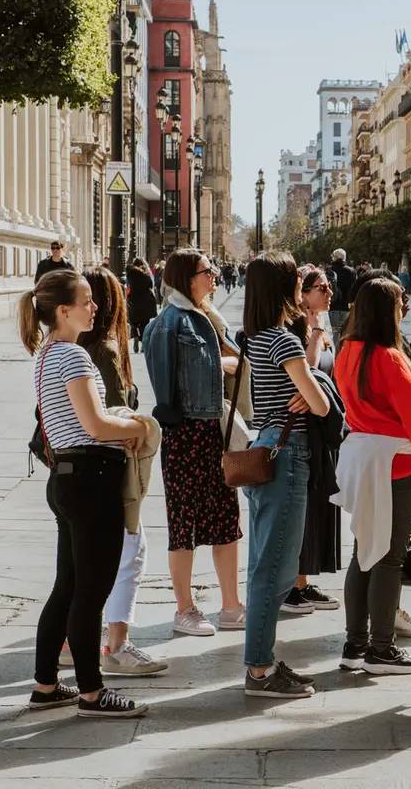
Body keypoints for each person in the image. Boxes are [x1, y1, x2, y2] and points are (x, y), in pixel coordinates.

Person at [19, 269, 149, 718]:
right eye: (87, 300)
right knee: (91, 592)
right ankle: (93, 694)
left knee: (67, 587)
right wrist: (137, 425)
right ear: (63, 310)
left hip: (66, 478)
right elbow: (95, 424)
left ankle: (46, 685)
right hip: (91, 479)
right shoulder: (72, 356)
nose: (95, 307)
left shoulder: (45, 353)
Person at [241, 252, 332, 699]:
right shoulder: (284, 341)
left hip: (265, 444)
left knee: (265, 562)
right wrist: (309, 386)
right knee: (275, 569)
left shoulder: (254, 338)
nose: (302, 283)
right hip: (287, 453)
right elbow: (321, 405)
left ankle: (264, 660)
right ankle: (259, 670)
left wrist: (303, 387)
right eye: (296, 278)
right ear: (282, 286)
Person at [143, 250, 245, 637]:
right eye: (208, 271)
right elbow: (174, 382)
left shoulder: (203, 317)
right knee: (183, 524)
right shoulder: (171, 323)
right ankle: (184, 609)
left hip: (209, 431)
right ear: (188, 277)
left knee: (225, 521)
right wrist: (224, 364)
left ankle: (231, 606)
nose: (215, 276)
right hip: (186, 433)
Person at [74, 267, 167, 676]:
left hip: (74, 469)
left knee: (83, 560)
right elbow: (112, 417)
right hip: (108, 471)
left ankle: (70, 640)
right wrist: (140, 427)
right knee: (130, 553)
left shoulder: (69, 348)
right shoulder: (106, 352)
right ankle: (117, 644)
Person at [333, 278, 411, 675]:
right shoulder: (388, 358)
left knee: (364, 553)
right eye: (400, 302)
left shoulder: (347, 351)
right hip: (396, 464)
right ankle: (382, 649)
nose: (405, 307)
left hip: (362, 459)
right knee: (389, 557)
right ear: (385, 309)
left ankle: (355, 645)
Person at [283, 264, 342, 614]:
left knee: (318, 507)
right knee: (302, 510)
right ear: (303, 293)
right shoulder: (296, 327)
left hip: (322, 430)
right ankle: (291, 585)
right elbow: (307, 371)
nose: (329, 291)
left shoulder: (321, 322)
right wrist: (317, 334)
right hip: (302, 429)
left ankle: (302, 580)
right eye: (321, 286)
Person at [126, 259, 158, 355]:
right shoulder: (146, 274)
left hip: (133, 301)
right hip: (145, 302)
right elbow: (151, 285)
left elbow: (128, 286)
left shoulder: (130, 274)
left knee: (133, 323)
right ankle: (143, 344)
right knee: (144, 324)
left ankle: (135, 336)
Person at [329, 249, 357, 336]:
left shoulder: (330, 270)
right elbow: (354, 290)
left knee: (335, 333)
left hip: (332, 306)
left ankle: (336, 349)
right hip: (346, 306)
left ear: (335, 258)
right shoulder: (352, 271)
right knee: (345, 333)